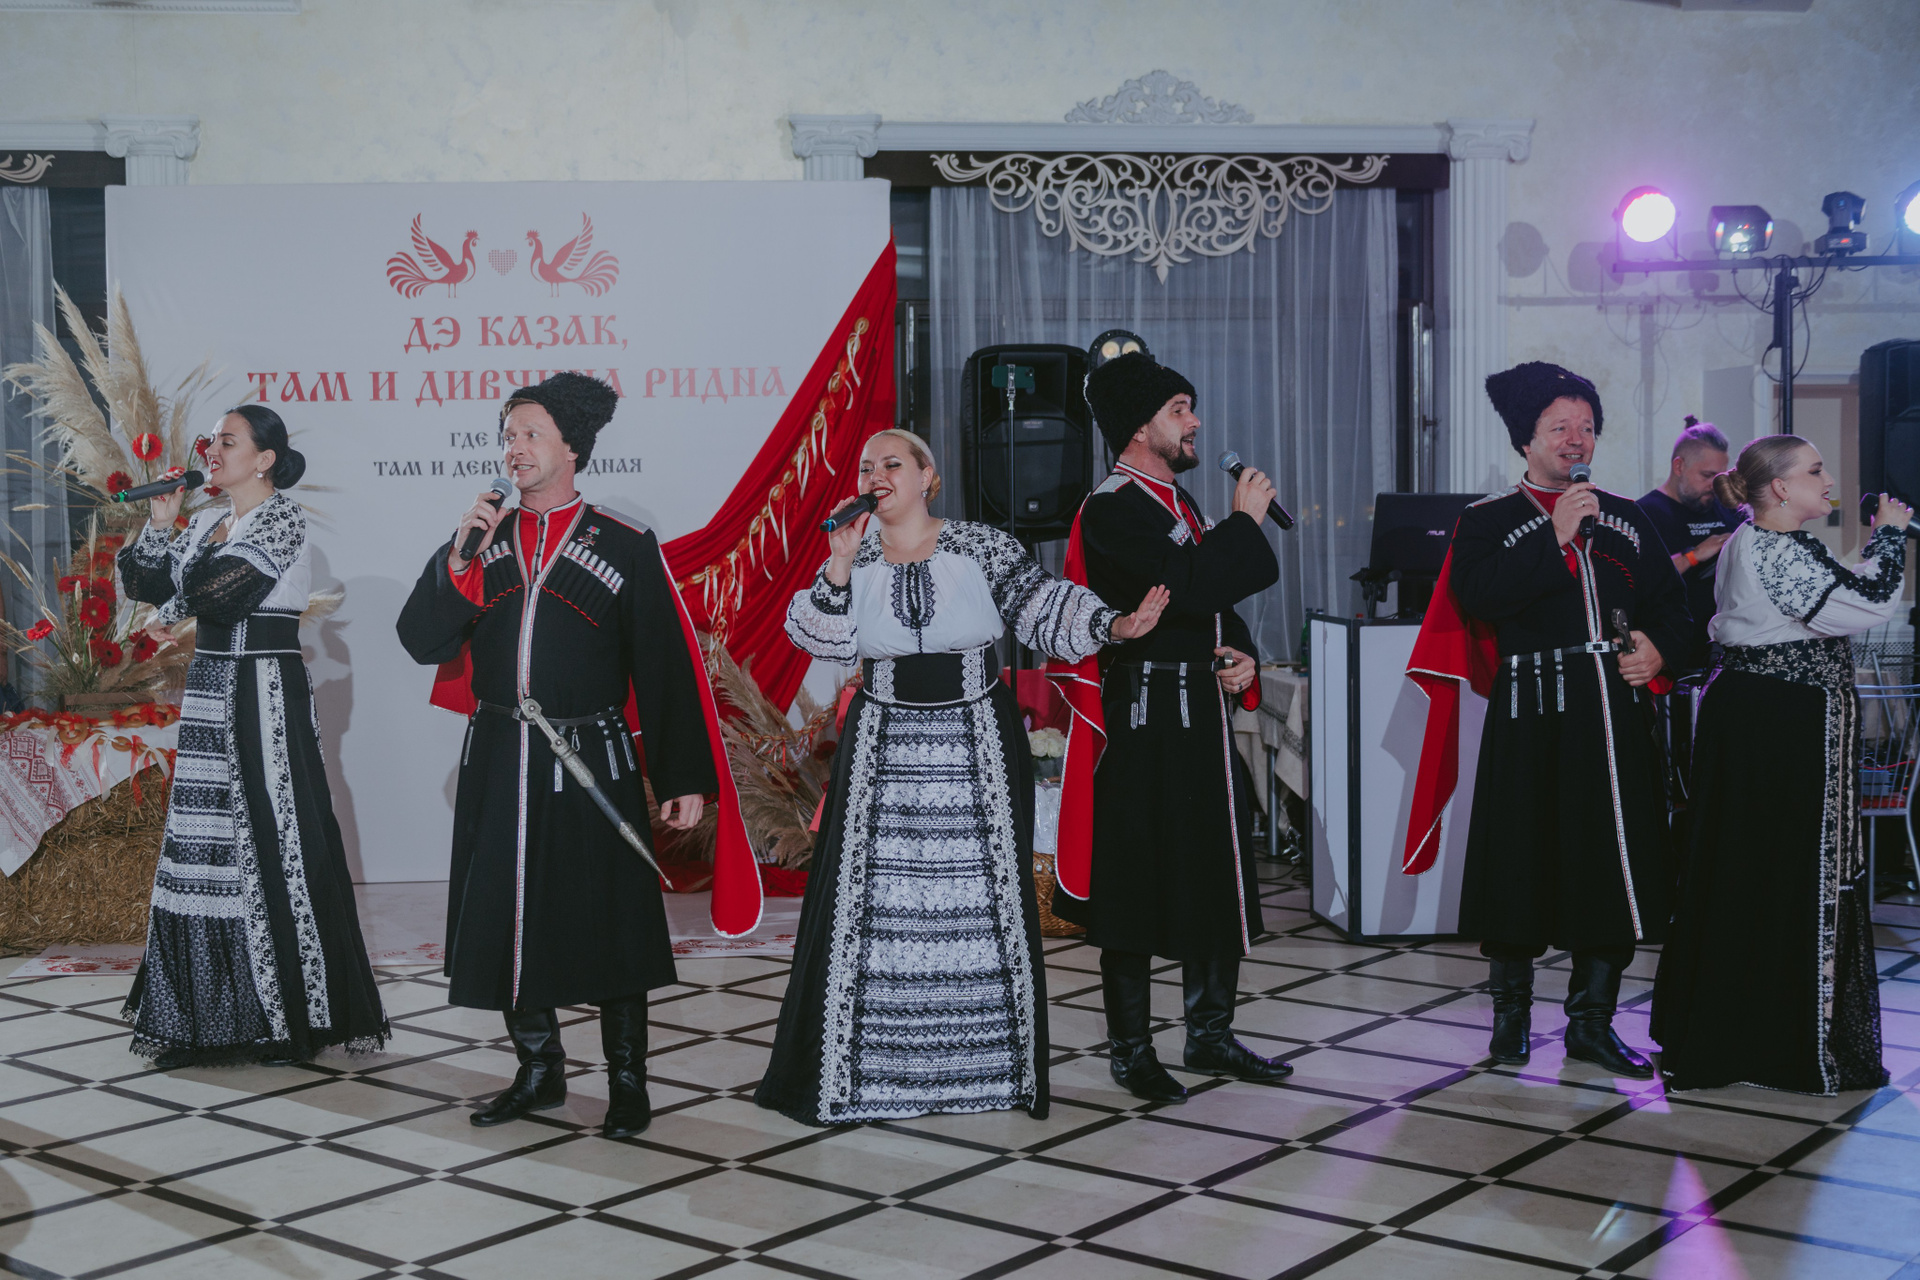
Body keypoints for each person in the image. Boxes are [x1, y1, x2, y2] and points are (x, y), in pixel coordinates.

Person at [756, 428, 1168, 1126]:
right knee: (878, 904)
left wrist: (1115, 626)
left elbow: (1042, 605)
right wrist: (838, 565)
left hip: (975, 735)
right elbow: (819, 636)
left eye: (892, 463)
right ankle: (871, 1074)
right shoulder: (854, 558)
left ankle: (986, 1070)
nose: (876, 475)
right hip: (882, 741)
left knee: (980, 900)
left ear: (927, 476)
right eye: (866, 466)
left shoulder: (979, 546)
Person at [396, 372, 751, 1139]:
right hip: (499, 753)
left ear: (572, 447)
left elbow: (662, 665)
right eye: (508, 435)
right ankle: (539, 1070)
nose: (514, 448)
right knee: (508, 915)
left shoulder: (622, 543)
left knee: (614, 919)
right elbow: (420, 638)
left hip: (593, 757)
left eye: (530, 434)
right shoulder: (481, 540)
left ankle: (627, 1082)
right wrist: (458, 559)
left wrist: (684, 776)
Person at [1047, 351, 1291, 1105]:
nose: (1196, 423)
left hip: (1199, 717)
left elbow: (1214, 605)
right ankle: (1131, 1050)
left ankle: (1210, 1034)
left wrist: (1241, 656)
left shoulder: (1179, 505)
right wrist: (1244, 522)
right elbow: (1186, 583)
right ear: (1138, 427)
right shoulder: (1112, 507)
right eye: (1180, 410)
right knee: (1135, 886)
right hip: (1144, 718)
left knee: (1217, 870)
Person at [1440, 362, 1690, 1079]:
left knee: (1609, 866)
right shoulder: (1486, 521)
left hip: (1612, 718)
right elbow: (1479, 596)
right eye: (1559, 427)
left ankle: (1592, 1023)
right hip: (1529, 716)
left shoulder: (1628, 518)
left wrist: (1659, 647)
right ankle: (1510, 1021)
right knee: (1518, 862)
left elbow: (1676, 610)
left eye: (1586, 427)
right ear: (1526, 440)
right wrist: (1550, 536)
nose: (1576, 439)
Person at [119, 405, 388, 1066]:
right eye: (210, 441)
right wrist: (162, 524)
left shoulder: (282, 518)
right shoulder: (205, 521)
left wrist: (172, 603)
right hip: (211, 690)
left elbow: (220, 594)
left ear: (265, 459)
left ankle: (286, 1019)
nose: (211, 451)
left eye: (228, 441)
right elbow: (143, 581)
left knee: (272, 841)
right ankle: (208, 1023)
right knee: (203, 849)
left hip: (265, 691)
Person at [1652, 436, 1905, 1094]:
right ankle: (1771, 1041)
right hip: (1776, 726)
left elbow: (1838, 594)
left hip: (1771, 720)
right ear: (1781, 489)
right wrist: (1889, 536)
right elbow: (1867, 603)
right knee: (1775, 871)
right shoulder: (1772, 548)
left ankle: (1757, 1031)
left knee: (1762, 871)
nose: (1829, 480)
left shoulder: (1771, 544)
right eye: (1815, 471)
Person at [1636, 418, 1743, 672]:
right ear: (1679, 466)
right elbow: (1641, 582)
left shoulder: (1729, 510)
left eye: (1720, 477)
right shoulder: (1645, 513)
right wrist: (1695, 555)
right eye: (1707, 476)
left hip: (1727, 652)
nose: (1715, 486)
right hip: (1674, 654)